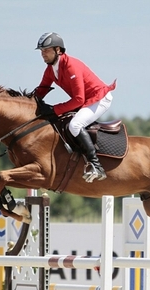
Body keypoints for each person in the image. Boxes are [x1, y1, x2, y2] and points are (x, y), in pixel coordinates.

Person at [33, 32, 116, 183]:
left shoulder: (71, 66)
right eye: (41, 51)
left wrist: (54, 109)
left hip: (99, 99)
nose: (43, 54)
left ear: (58, 50)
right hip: (86, 100)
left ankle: (96, 166)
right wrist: (27, 103)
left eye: (46, 50)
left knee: (75, 124)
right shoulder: (51, 69)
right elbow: (41, 90)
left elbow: (78, 99)